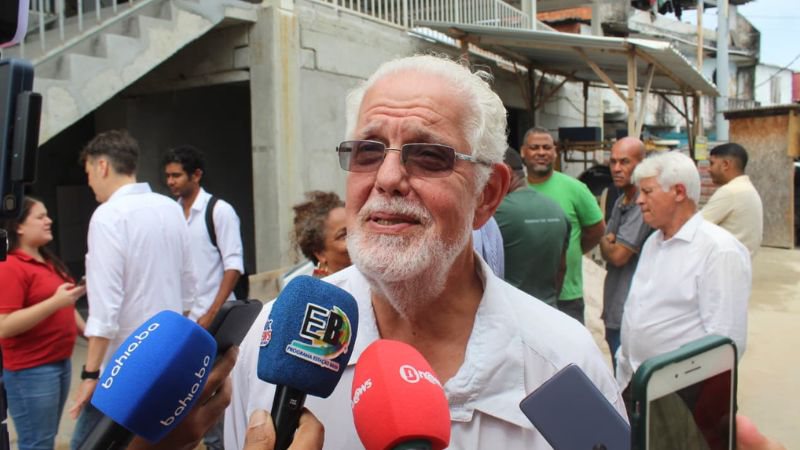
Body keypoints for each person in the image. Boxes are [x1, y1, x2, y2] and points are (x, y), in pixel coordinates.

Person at [225, 54, 622, 450]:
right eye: (368, 152)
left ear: (486, 195)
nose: (387, 178)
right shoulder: (273, 342)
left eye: (430, 156)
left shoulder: (563, 364)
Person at [69, 130, 197, 449]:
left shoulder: (108, 216)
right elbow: (188, 289)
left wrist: (90, 375)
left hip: (124, 366)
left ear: (102, 166)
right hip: (167, 354)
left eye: (88, 173)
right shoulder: (170, 207)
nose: (89, 183)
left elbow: (105, 311)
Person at [616, 151, 750, 399]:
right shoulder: (653, 242)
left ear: (679, 192)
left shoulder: (719, 250)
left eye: (647, 192)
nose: (639, 201)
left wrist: (692, 399)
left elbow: (726, 341)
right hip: (636, 381)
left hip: (683, 393)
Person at [0, 197, 86, 450]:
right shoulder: (10, 266)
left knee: (45, 438)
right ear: (19, 226)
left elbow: (67, 305)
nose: (49, 221)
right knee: (37, 442)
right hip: (31, 370)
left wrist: (92, 334)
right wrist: (55, 302)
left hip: (58, 362)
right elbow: (4, 325)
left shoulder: (47, 261)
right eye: (40, 217)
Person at [523, 127, 605, 324]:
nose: (541, 152)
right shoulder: (513, 189)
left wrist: (572, 249)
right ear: (523, 152)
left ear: (555, 152)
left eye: (546, 147)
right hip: (524, 295)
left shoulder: (575, 188)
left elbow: (596, 230)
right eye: (534, 147)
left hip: (567, 297)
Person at [163, 145, 244, 329]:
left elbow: (234, 266)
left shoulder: (219, 211)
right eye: (168, 176)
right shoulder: (170, 214)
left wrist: (213, 313)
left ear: (196, 175)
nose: (170, 181)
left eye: (176, 175)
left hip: (217, 319)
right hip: (183, 320)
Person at [598, 137, 652, 368]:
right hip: (615, 306)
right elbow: (606, 244)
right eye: (613, 162)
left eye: (625, 162)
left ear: (642, 164)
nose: (617, 168)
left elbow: (617, 255)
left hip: (630, 313)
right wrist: (607, 242)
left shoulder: (642, 204)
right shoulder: (621, 199)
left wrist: (607, 241)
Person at [494, 147, 569, 306]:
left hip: (512, 311)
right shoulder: (557, 209)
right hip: (549, 309)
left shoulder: (496, 213)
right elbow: (562, 268)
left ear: (505, 172)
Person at [702, 143, 763, 257]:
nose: (708, 169)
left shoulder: (731, 191)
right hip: (739, 260)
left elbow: (696, 227)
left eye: (712, 163)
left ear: (725, 164)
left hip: (724, 261)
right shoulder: (746, 188)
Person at [288, 190, 352, 282]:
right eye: (343, 236)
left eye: (356, 228)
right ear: (320, 254)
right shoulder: (317, 290)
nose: (357, 237)